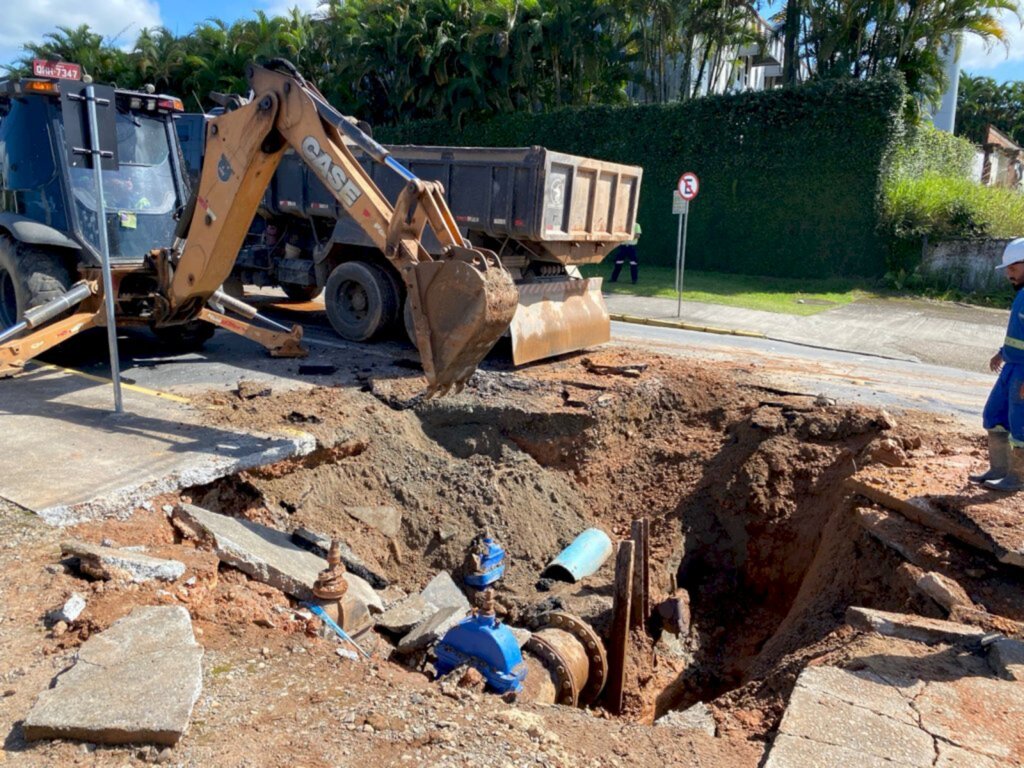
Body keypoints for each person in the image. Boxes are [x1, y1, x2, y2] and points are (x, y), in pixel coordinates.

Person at [971, 237, 1024, 493]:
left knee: (1021, 424)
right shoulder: (1022, 295)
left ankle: (1018, 477)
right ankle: (999, 469)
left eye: (1013, 269)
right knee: (994, 415)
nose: (1009, 275)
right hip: (1012, 367)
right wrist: (1002, 353)